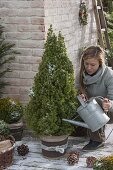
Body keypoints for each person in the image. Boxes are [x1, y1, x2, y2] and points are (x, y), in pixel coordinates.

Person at [78, 45, 113, 150]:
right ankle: (82, 131)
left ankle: (97, 140)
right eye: (86, 64)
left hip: (109, 111)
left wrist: (109, 104)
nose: (88, 67)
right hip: (93, 112)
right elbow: (79, 92)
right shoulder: (83, 75)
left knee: (95, 101)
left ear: (100, 63)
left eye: (92, 65)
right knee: (83, 102)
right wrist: (81, 96)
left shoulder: (109, 75)